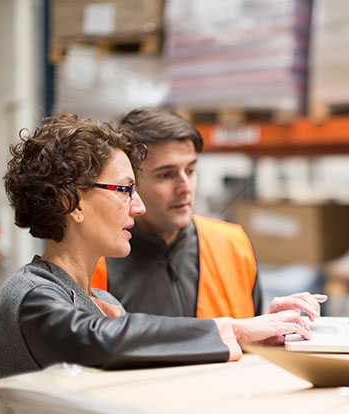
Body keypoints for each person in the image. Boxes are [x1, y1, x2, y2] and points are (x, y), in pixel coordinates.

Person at [0, 114, 312, 379]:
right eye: (125, 190)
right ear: (72, 202)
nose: (139, 207)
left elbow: (153, 359)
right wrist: (236, 330)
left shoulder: (102, 300)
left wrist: (260, 335)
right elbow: (100, 340)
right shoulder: (30, 293)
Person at [90, 107, 325, 321]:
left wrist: (268, 323)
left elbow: (247, 341)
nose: (185, 187)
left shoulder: (231, 244)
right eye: (166, 175)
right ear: (131, 183)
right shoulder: (97, 262)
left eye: (190, 171)